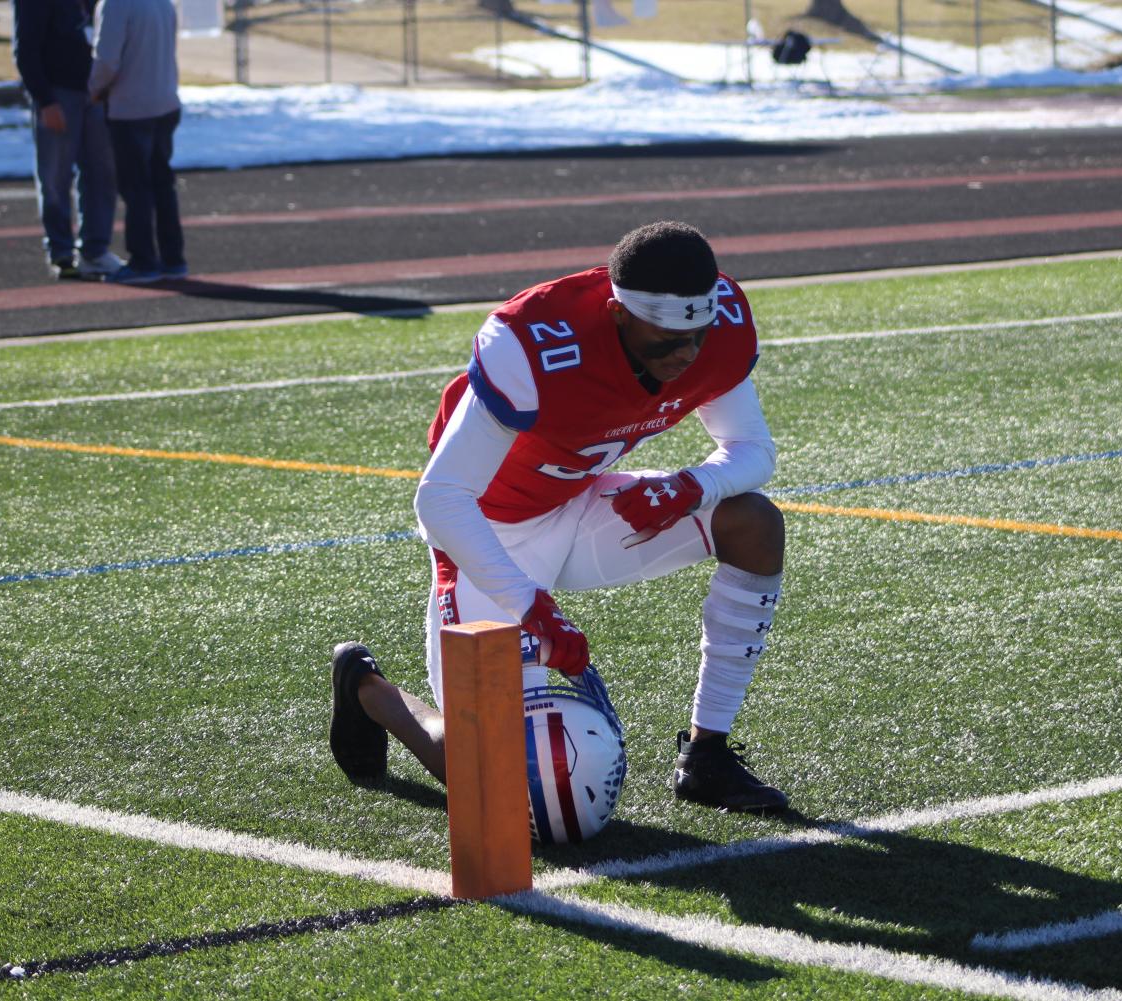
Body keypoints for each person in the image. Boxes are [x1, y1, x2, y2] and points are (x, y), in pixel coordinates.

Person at [329, 220, 790, 815]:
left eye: (696, 337)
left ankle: (707, 755)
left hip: (583, 502)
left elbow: (752, 448)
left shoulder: (715, 325)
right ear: (618, 313)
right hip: (491, 533)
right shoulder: (531, 342)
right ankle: (372, 694)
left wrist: (691, 486)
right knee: (499, 784)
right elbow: (441, 498)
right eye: (665, 343)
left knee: (751, 521)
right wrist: (528, 603)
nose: (685, 355)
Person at [12, 0, 122, 280]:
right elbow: (25, 49)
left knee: (101, 173)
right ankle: (61, 250)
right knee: (55, 177)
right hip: (59, 94)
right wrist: (45, 101)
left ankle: (95, 250)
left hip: (96, 91)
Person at [86, 0, 186, 284]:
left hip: (131, 105)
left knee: (136, 187)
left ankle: (144, 261)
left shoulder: (115, 4)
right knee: (161, 184)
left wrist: (94, 89)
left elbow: (106, 59)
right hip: (164, 99)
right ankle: (172, 257)